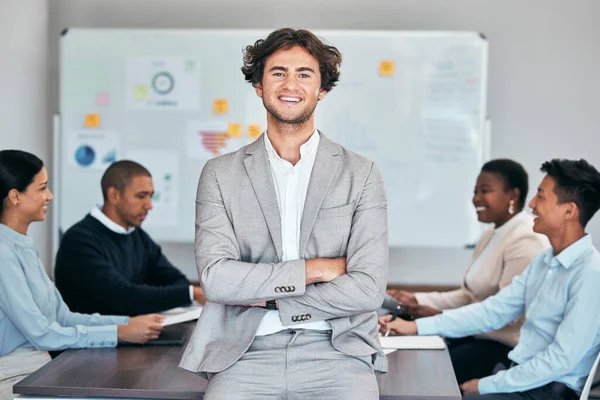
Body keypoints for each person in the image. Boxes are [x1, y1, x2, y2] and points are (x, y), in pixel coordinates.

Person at [179, 28, 388, 400]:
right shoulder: (219, 173)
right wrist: (315, 270)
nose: (290, 83)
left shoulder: (362, 173)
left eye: (304, 74)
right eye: (278, 72)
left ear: (322, 89)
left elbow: (368, 289)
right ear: (258, 85)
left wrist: (271, 298)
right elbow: (217, 280)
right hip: (244, 353)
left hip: (338, 352)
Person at [380, 158, 600, 400]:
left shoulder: (590, 273)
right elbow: (492, 311)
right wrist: (416, 326)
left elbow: (560, 360)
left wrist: (488, 385)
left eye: (541, 196)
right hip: (522, 379)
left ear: (569, 210)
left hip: (549, 390)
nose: (532, 204)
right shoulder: (544, 262)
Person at [0, 150, 164, 400]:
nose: (49, 196)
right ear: (15, 196)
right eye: (42, 188)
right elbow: (42, 333)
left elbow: (63, 317)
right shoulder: (2, 252)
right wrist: (118, 333)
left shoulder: (23, 245)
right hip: (14, 379)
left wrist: (126, 324)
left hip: (40, 370)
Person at [385, 159, 549, 383]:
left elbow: (506, 315)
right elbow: (468, 295)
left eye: (485, 191)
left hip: (504, 348)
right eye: (475, 191)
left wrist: (441, 317)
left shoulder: (526, 238)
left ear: (513, 195)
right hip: (476, 335)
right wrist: (416, 298)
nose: (476, 198)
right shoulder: (490, 235)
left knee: (427, 372)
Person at [54, 160, 205, 316]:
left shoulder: (137, 236)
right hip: (96, 338)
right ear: (114, 195)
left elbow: (176, 281)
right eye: (141, 196)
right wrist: (191, 293)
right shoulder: (79, 241)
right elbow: (122, 297)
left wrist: (186, 292)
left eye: (151, 196)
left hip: (132, 335)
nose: (149, 205)